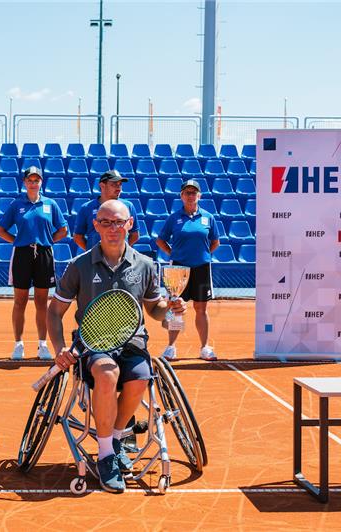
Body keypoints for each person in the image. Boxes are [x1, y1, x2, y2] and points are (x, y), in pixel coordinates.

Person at [48, 199, 186, 493]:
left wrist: (171, 308)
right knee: (107, 374)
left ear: (130, 224)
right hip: (93, 344)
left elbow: (155, 310)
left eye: (119, 222)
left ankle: (116, 434)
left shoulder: (145, 265)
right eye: (106, 222)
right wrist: (59, 347)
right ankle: (107, 453)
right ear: (96, 226)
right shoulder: (79, 265)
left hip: (132, 342)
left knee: (140, 380)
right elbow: (54, 311)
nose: (113, 229)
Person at [0, 166, 68, 360]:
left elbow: (63, 229)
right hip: (22, 255)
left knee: (42, 302)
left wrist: (48, 240)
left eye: (37, 180)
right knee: (19, 302)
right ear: (24, 182)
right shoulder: (16, 204)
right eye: (30, 180)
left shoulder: (50, 204)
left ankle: (42, 344)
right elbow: (0, 230)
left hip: (44, 254)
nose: (33, 183)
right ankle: (18, 344)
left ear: (41, 182)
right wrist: (17, 241)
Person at [155, 178, 220, 362]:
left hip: (201, 268)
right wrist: (172, 254)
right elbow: (160, 240)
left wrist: (203, 254)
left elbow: (215, 242)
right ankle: (171, 347)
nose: (190, 195)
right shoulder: (174, 218)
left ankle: (204, 348)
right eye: (187, 192)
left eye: (194, 192)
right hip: (178, 270)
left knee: (201, 308)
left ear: (199, 196)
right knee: (176, 308)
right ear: (181, 196)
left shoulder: (208, 217)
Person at [73, 169, 140, 251]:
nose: (118, 188)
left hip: (119, 259)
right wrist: (93, 252)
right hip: (94, 261)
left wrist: (119, 249)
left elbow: (135, 235)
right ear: (102, 185)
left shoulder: (128, 206)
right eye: (114, 184)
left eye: (120, 184)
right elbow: (78, 237)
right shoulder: (87, 208)